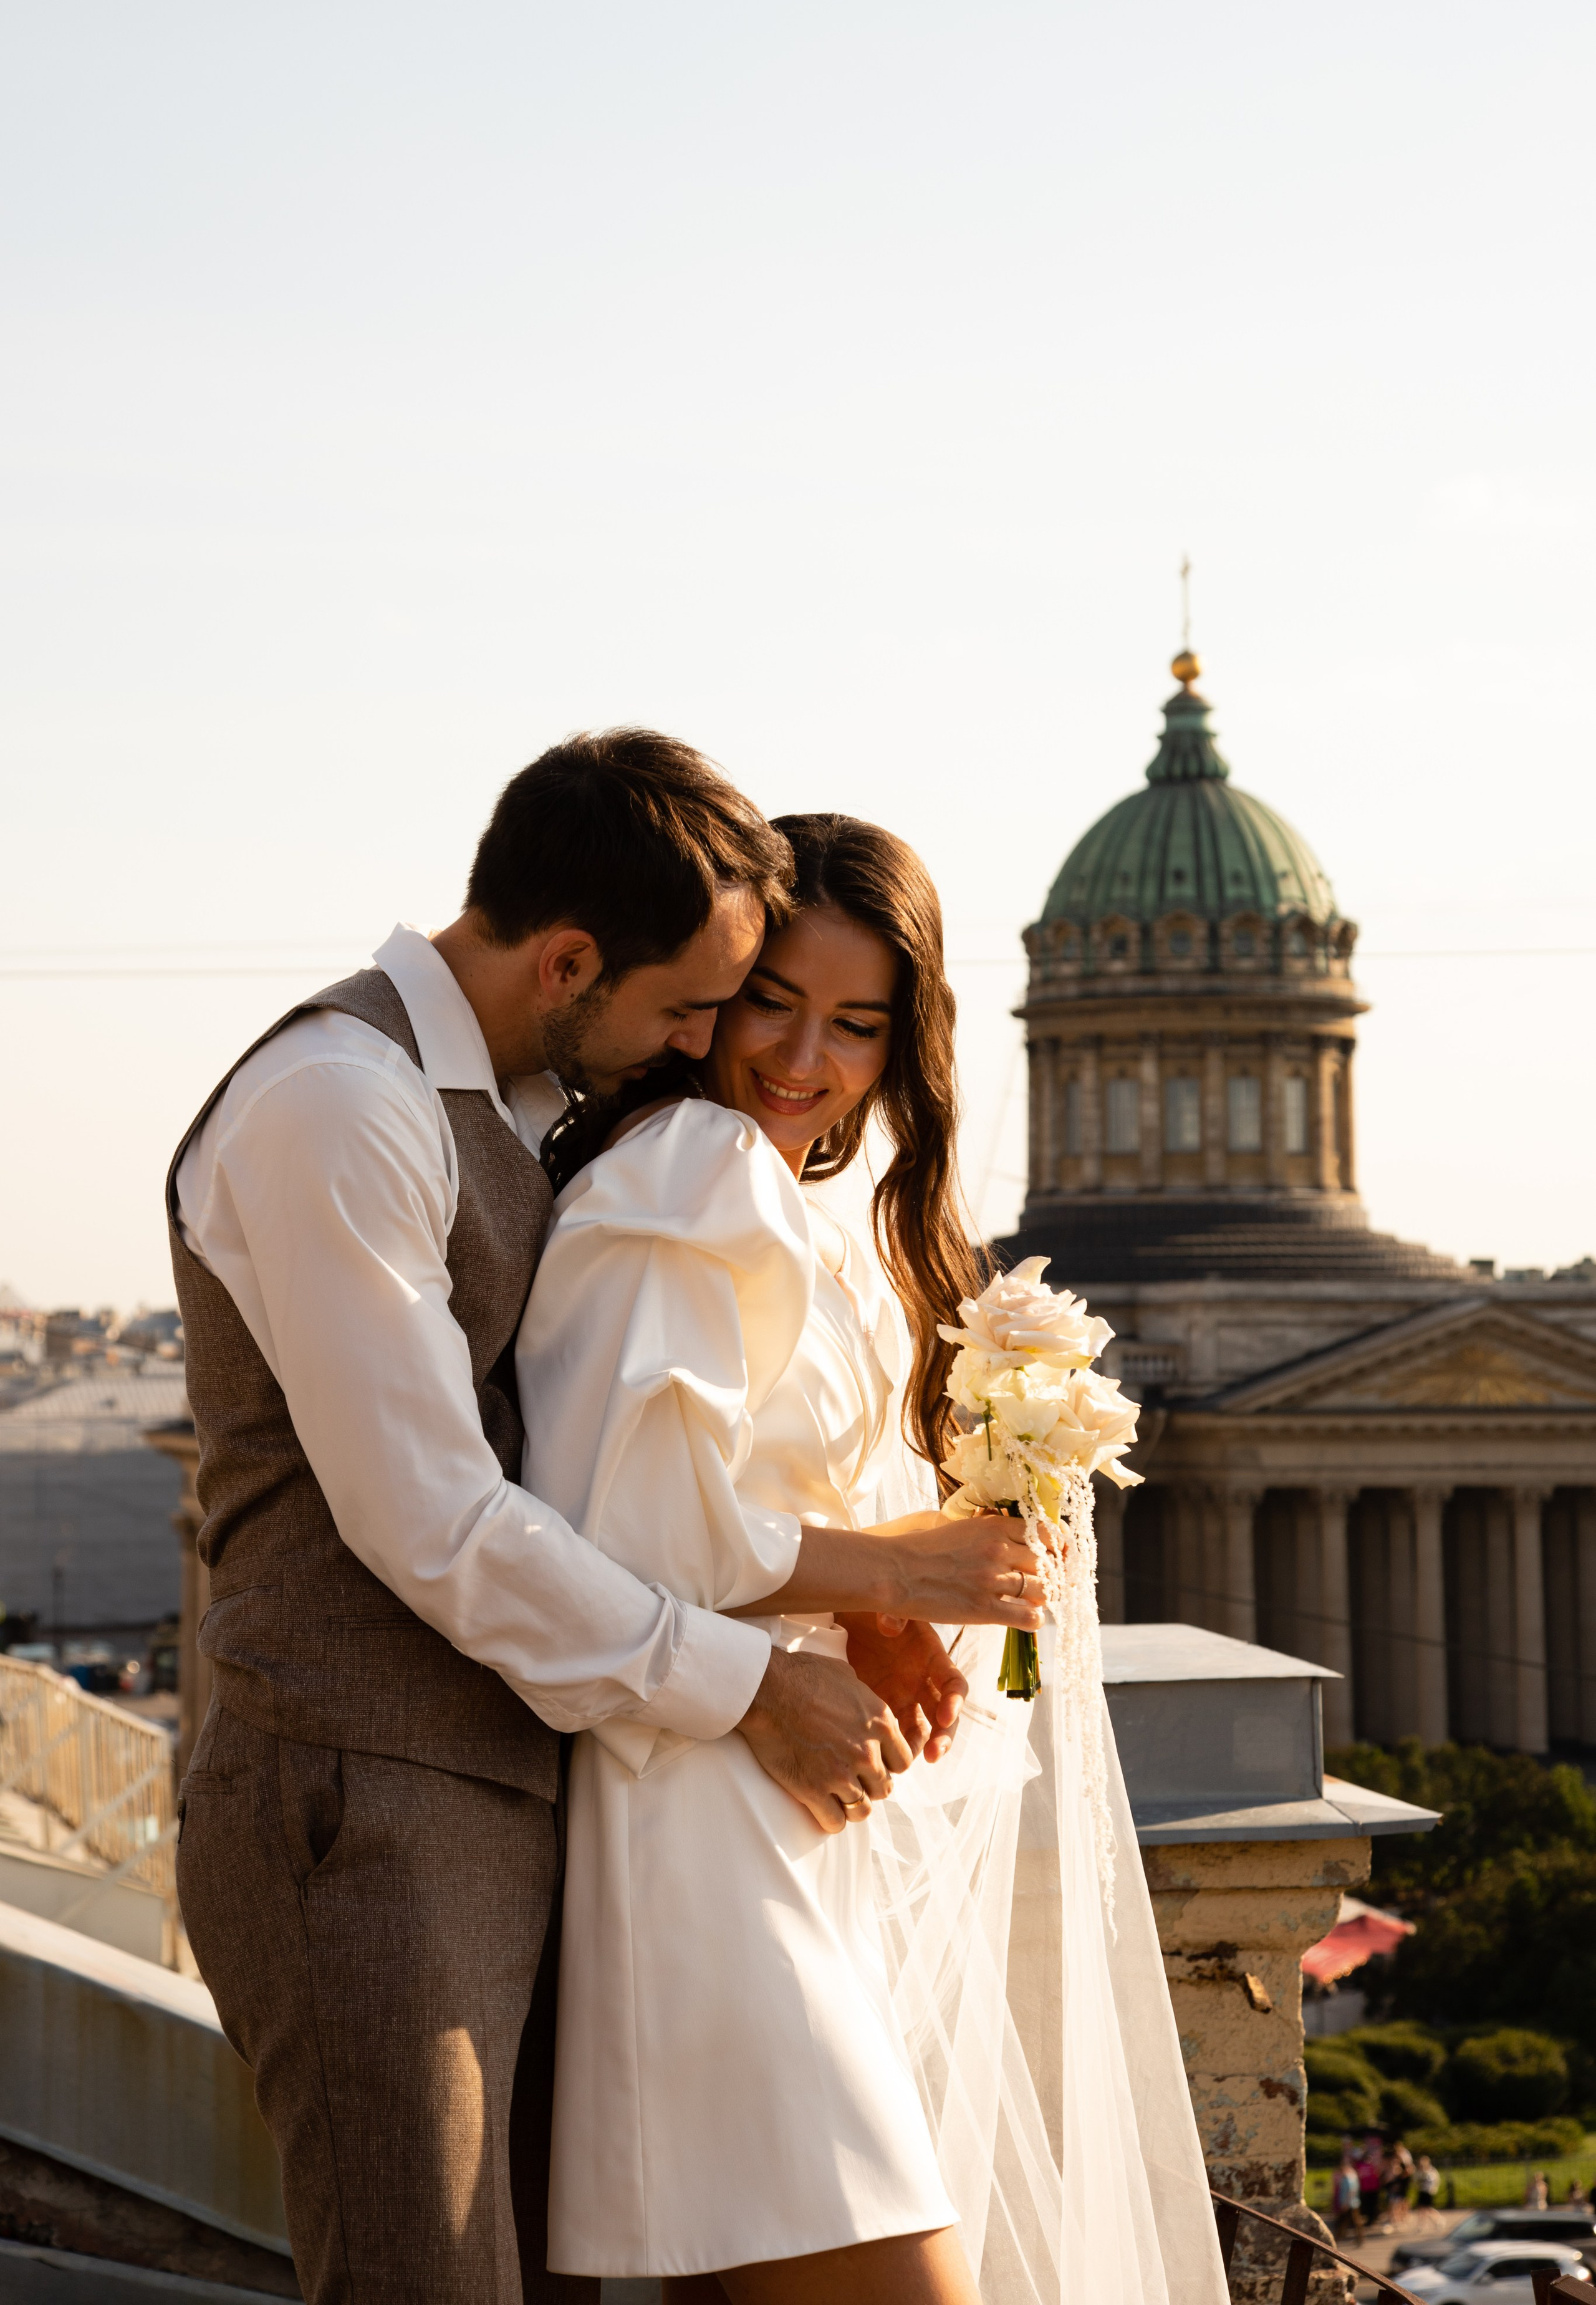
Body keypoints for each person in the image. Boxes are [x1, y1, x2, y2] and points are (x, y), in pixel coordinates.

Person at [167, 736, 1044, 2305]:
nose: (712, 1046)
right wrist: (763, 1669)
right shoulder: (338, 1101)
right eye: (701, 1005)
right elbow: (433, 1519)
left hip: (525, 1789)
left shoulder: (508, 1101)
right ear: (573, 958)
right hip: (353, 1792)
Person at [518, 812, 1229, 2305]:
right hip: (703, 1831)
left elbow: (722, 1501)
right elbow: (633, 1530)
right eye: (770, 1000)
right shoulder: (694, 1169)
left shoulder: (775, 1197)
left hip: (771, 1812)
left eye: (855, 1023)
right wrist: (908, 1580)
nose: (802, 1058)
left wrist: (879, 1592)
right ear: (708, 988)